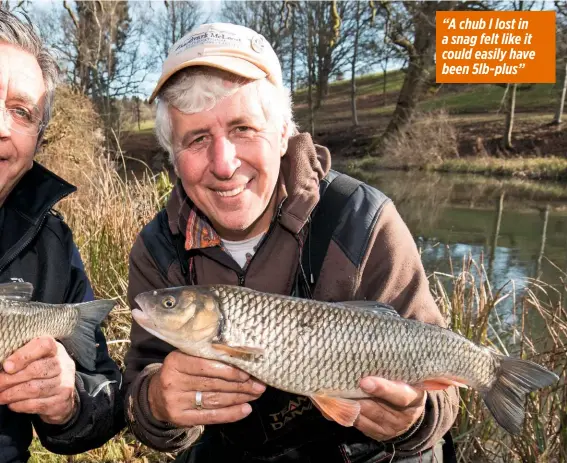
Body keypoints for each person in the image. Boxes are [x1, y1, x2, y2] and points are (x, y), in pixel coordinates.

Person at [123, 22, 459, 463]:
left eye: (243, 128)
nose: (223, 164)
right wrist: (158, 404)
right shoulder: (158, 248)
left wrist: (414, 418)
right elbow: (139, 389)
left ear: (283, 134)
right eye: (197, 139)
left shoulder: (360, 219)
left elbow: (443, 383)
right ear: (174, 157)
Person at [0, 9, 124, 463]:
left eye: (21, 112)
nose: (1, 127)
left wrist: (68, 401)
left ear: (37, 142)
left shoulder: (50, 244)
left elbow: (105, 394)